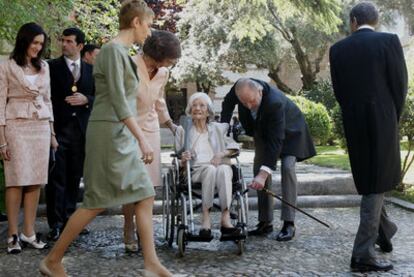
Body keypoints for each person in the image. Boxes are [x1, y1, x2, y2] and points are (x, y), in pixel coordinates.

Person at [39, 1, 172, 276]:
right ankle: (52, 261)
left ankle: (152, 265)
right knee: (96, 201)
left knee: (145, 194)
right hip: (108, 134)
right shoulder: (112, 51)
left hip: (118, 133)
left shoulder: (121, 52)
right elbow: (119, 101)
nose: (149, 31)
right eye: (147, 24)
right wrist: (143, 140)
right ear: (135, 22)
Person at [329, 2, 407, 272]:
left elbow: (339, 91)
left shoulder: (337, 49)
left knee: (371, 179)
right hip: (383, 120)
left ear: (353, 21)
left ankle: (385, 232)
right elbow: (400, 85)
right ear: (376, 20)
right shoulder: (388, 41)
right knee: (376, 181)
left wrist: (353, 113)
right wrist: (391, 116)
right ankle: (362, 254)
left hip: (354, 123)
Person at [221, 78, 316, 241]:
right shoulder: (239, 88)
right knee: (258, 168)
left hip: (290, 132)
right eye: (244, 103)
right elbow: (227, 105)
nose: (249, 106)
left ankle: (289, 223)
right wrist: (222, 130)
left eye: (251, 101)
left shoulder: (274, 102)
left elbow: (276, 141)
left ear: (260, 91)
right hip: (264, 131)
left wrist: (264, 174)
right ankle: (265, 222)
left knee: (287, 168)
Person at [0, 22, 57, 254]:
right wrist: (1, 139)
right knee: (15, 181)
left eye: (41, 44)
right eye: (35, 42)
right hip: (16, 127)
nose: (38, 47)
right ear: (24, 40)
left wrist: (52, 134)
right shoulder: (6, 66)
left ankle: (29, 232)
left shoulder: (44, 66)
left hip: (40, 127)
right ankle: (13, 235)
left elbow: (49, 99)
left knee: (35, 181)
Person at [123, 29, 181, 252]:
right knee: (131, 186)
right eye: (169, 59)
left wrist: (169, 124)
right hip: (128, 128)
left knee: (147, 187)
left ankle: (143, 231)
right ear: (157, 55)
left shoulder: (163, 72)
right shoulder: (128, 65)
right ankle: (128, 226)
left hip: (150, 129)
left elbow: (159, 101)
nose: (172, 64)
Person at [46, 27, 95, 241]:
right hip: (57, 130)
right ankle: (55, 224)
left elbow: (100, 97)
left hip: (81, 132)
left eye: (69, 41)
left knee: (75, 178)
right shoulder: (50, 67)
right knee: (56, 178)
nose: (64, 44)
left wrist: (87, 100)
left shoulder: (91, 70)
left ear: (80, 46)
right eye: (62, 40)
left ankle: (70, 221)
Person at [175, 92, 241, 238]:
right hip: (195, 171)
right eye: (194, 105)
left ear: (208, 111)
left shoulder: (218, 128)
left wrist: (220, 154)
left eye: (201, 105)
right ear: (189, 109)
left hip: (218, 168)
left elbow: (235, 146)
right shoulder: (183, 130)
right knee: (210, 169)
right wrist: (183, 159)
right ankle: (206, 219)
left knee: (224, 168)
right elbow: (177, 160)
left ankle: (225, 217)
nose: (197, 108)